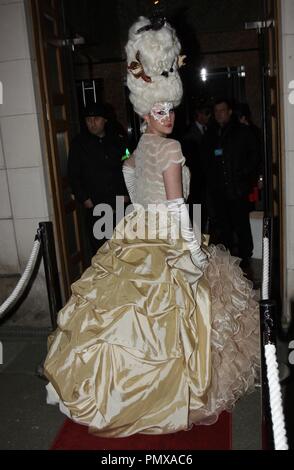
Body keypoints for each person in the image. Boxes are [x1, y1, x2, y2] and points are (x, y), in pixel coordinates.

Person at [44, 16, 259, 437]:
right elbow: (178, 206)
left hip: (138, 232)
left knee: (123, 311)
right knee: (172, 317)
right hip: (169, 237)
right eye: (158, 110)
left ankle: (118, 390)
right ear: (146, 111)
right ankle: (166, 392)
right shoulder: (171, 147)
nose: (166, 117)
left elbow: (129, 177)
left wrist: (142, 211)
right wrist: (195, 253)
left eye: (170, 110)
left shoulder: (139, 145)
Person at [202, 99, 259, 268]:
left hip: (238, 189)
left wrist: (244, 175)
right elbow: (205, 161)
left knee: (241, 225)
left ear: (229, 111)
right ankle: (227, 262)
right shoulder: (210, 134)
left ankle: (246, 261)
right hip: (219, 191)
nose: (220, 113)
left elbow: (254, 156)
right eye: (217, 110)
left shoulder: (242, 131)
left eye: (223, 110)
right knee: (224, 227)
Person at [67, 102, 128, 255]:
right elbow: (73, 174)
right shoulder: (79, 144)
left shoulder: (118, 139)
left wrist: (127, 193)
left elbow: (129, 167)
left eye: (96, 119)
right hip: (96, 204)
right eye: (88, 120)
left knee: (124, 246)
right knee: (102, 249)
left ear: (105, 120)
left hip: (120, 202)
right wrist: (85, 199)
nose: (92, 123)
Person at [181, 102, 211, 225]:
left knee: (207, 213)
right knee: (197, 214)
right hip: (196, 182)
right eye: (206, 114)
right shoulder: (189, 135)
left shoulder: (210, 130)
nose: (209, 117)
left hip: (207, 181)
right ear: (199, 115)